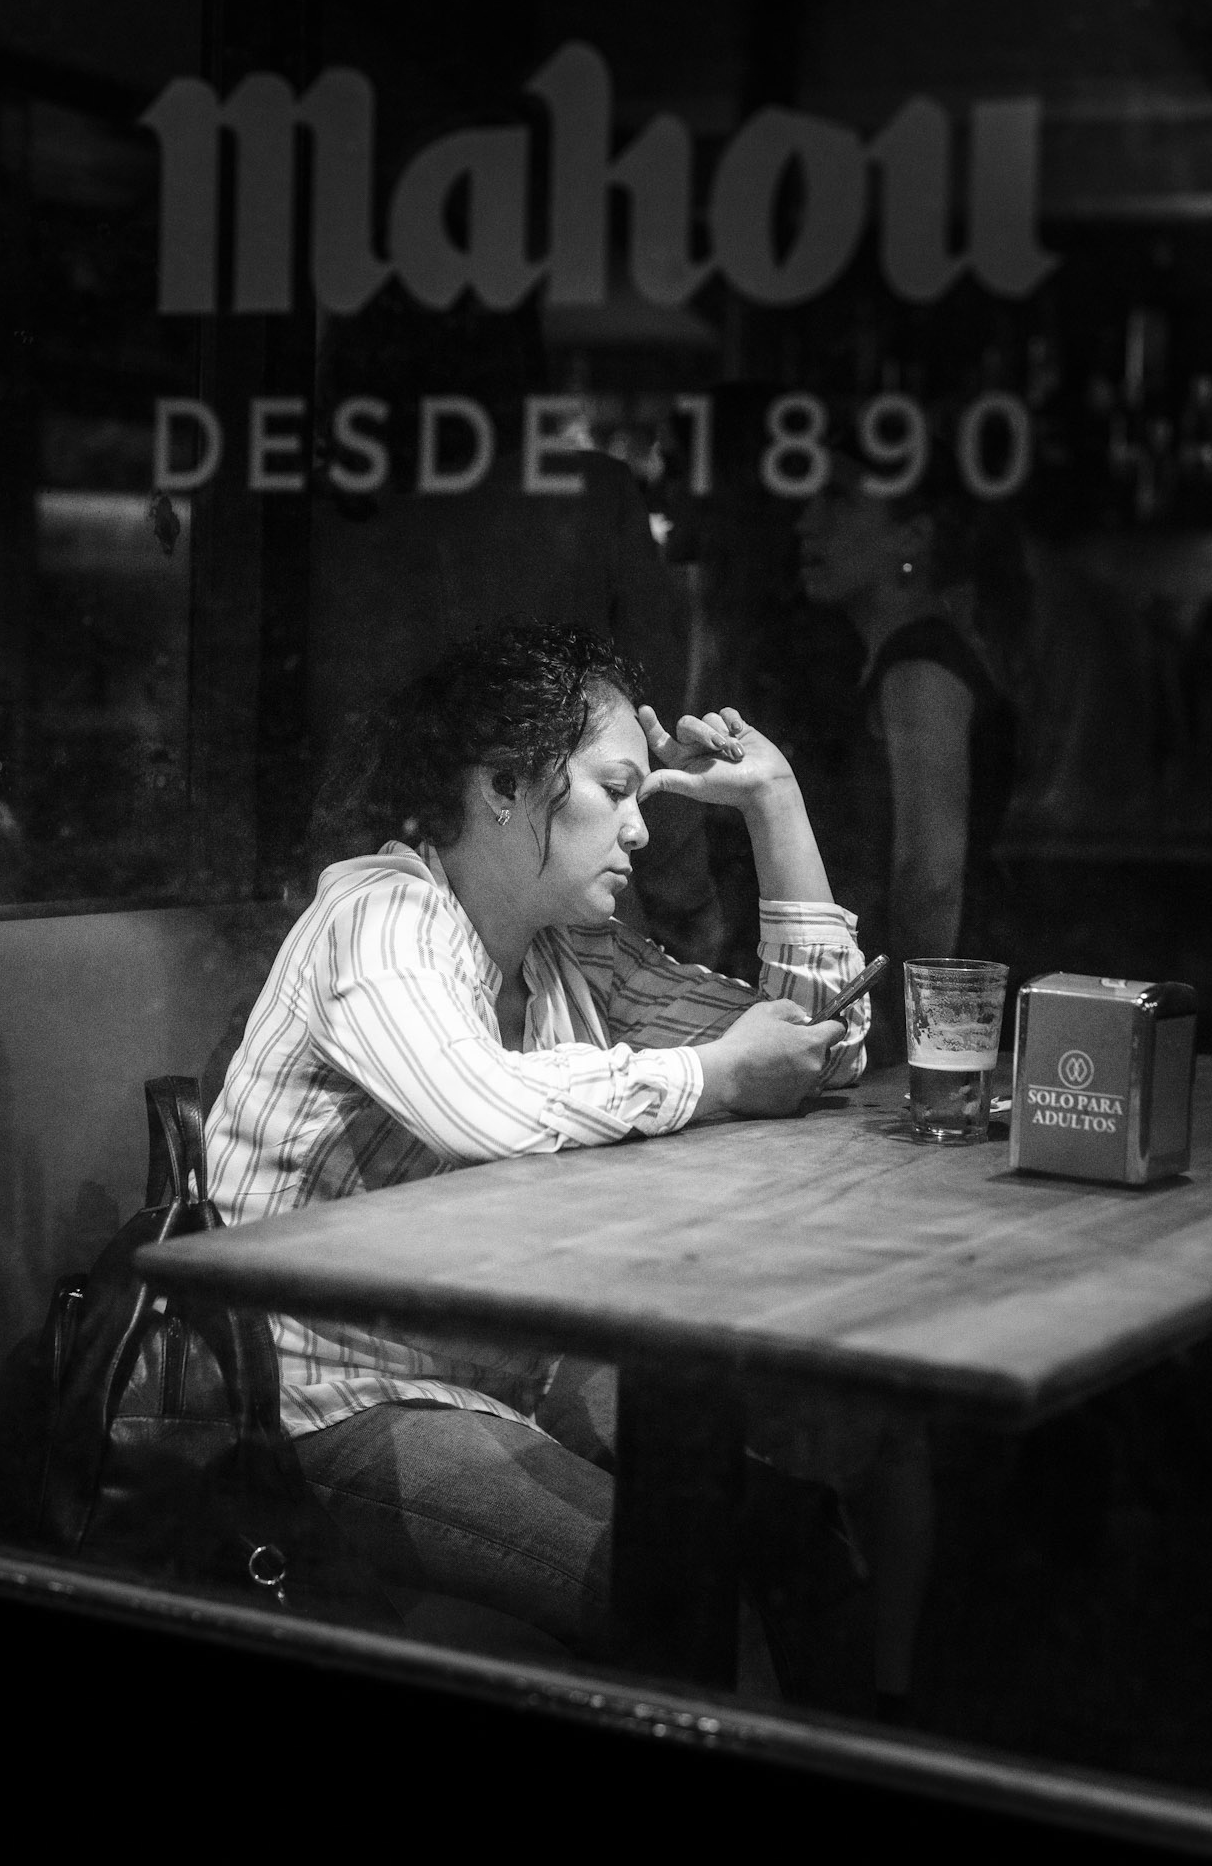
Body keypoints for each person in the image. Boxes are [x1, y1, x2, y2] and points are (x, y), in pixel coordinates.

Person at [204, 619, 866, 1670]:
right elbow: (481, 1105)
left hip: (497, 1362)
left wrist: (774, 806)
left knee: (797, 1530)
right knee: (671, 1590)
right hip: (315, 1392)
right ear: (506, 785)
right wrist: (708, 1076)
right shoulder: (381, 917)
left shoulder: (570, 951)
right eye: (615, 789)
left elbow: (809, 1052)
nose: (642, 829)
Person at [793, 458, 1024, 1051]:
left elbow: (931, 880)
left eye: (838, 499)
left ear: (913, 537)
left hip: (944, 1008)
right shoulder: (903, 656)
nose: (806, 522)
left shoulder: (919, 666)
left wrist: (913, 1039)